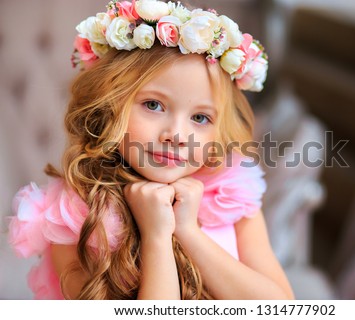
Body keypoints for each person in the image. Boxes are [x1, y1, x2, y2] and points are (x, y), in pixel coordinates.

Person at [8, 0, 294, 300]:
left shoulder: (231, 199)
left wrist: (187, 232)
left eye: (200, 118)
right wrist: (157, 236)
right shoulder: (75, 214)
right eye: (154, 105)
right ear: (110, 107)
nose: (177, 135)